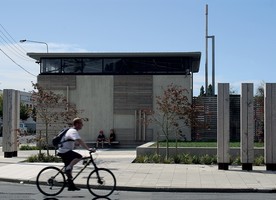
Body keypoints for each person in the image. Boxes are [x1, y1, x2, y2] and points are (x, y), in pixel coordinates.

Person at [57, 118, 94, 191]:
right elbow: (79, 140)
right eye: (81, 123)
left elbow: (73, 141)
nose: (82, 125)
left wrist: (76, 145)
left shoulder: (71, 131)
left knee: (70, 168)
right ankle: (67, 169)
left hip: (64, 151)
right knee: (79, 157)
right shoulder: (73, 131)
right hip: (64, 151)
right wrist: (88, 149)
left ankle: (71, 186)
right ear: (77, 124)